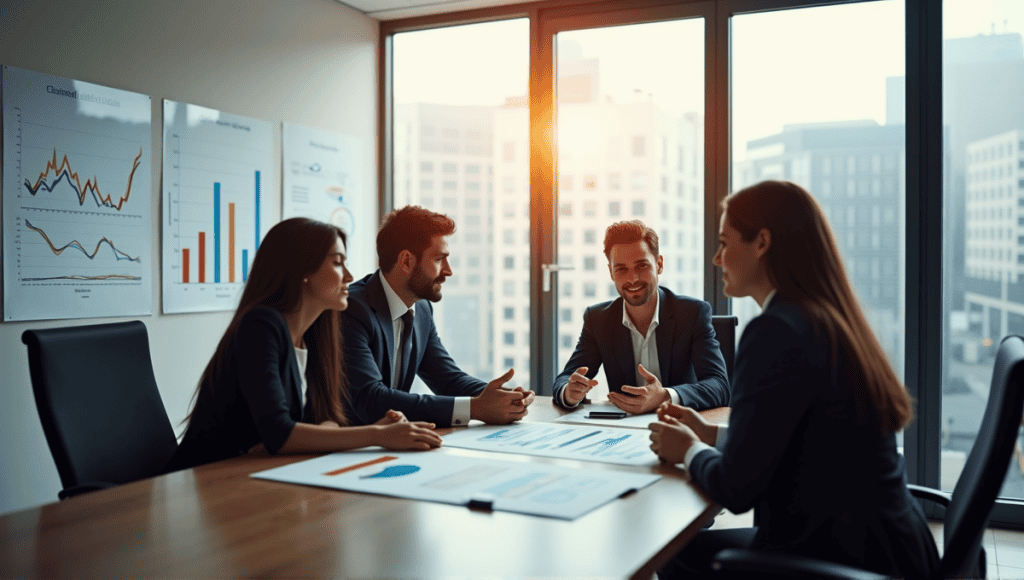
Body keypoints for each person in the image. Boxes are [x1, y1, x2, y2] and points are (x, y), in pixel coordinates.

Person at [648, 181, 939, 579]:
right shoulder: (826, 318)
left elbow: (736, 490)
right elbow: (805, 443)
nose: (717, 258)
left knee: (671, 551)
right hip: (890, 546)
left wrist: (688, 450)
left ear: (762, 242)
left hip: (840, 557)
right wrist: (711, 436)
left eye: (724, 242)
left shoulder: (775, 332)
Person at [166, 218, 442, 472]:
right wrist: (377, 434)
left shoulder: (316, 333)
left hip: (260, 473)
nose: (348, 275)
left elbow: (317, 424)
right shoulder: (261, 326)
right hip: (207, 477)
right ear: (303, 270)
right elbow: (281, 433)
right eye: (337, 263)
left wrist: (304, 434)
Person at [343, 205, 536, 427]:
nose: (448, 270)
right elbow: (371, 398)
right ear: (406, 261)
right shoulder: (352, 310)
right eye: (438, 259)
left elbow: (447, 379)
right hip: (340, 449)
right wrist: (475, 408)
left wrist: (504, 396)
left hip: (391, 441)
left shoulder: (421, 309)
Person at [552, 220, 729, 414]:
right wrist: (569, 393)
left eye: (642, 266)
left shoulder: (692, 313)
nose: (632, 278)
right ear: (611, 272)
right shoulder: (598, 319)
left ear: (659, 264)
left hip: (680, 428)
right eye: (621, 269)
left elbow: (719, 385)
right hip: (625, 432)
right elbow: (566, 378)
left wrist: (665, 396)